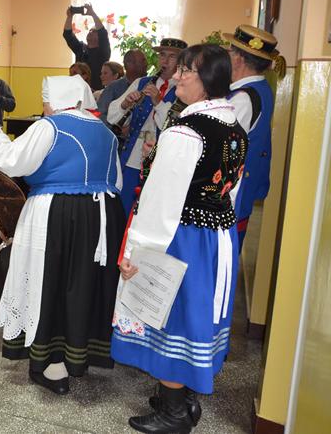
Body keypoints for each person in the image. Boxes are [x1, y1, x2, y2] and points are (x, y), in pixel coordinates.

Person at [111, 44, 248, 433]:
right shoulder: (234, 129)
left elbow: (159, 202)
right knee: (196, 314)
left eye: (186, 71)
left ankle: (173, 413)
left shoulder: (186, 133)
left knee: (174, 316)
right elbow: (230, 190)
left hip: (182, 235)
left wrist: (135, 251)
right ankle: (183, 400)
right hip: (216, 238)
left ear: (208, 81)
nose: (177, 77)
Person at [0, 75, 124, 395]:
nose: (44, 107)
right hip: (101, 217)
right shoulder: (106, 131)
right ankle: (77, 353)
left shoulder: (51, 126)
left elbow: (12, 161)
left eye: (45, 100)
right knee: (81, 284)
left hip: (57, 213)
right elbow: (117, 180)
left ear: (57, 100)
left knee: (48, 282)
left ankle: (49, 363)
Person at [107, 38, 186, 214]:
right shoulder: (142, 82)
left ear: (182, 62)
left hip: (162, 161)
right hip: (133, 156)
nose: (165, 61)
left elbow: (175, 125)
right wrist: (126, 104)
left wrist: (158, 102)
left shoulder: (184, 89)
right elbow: (112, 115)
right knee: (123, 208)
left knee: (149, 210)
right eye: (162, 55)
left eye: (172, 57)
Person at [224, 25, 277, 246]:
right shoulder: (258, 88)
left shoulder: (243, 99)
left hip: (230, 198)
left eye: (230, 51)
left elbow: (219, 145)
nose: (227, 55)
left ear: (239, 59)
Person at [62, 3, 111, 90]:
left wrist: (92, 14)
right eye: (90, 31)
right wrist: (69, 17)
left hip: (96, 92)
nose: (90, 32)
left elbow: (103, 33)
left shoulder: (103, 51)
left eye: (94, 31)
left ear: (99, 37)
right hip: (78, 90)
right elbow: (67, 35)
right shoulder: (81, 48)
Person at [97, 50, 147, 126]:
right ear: (129, 64)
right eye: (142, 61)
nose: (146, 64)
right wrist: (117, 129)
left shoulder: (150, 85)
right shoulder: (113, 88)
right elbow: (100, 115)